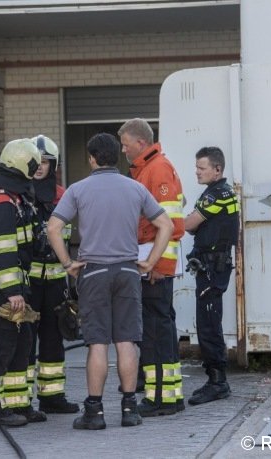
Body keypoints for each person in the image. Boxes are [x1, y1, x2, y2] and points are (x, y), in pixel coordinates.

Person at [46, 133, 174, 430]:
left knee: (98, 344)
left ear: (91, 158)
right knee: (127, 341)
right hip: (129, 271)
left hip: (94, 272)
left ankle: (95, 412)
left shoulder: (78, 190)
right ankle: (130, 409)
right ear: (117, 156)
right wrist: (151, 261)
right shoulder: (135, 188)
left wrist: (67, 263)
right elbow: (165, 225)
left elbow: (54, 227)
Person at [0, 138, 47, 429]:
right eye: (34, 164)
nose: (37, 169)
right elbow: (2, 249)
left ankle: (18, 404)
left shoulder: (11, 196)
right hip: (0, 285)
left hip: (12, 282)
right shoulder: (1, 202)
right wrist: (12, 292)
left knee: (22, 343)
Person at [118, 118, 185, 416]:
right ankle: (168, 394)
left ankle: (160, 398)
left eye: (125, 144)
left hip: (155, 265)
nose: (123, 150)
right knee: (160, 329)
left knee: (156, 332)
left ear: (141, 143)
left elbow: (170, 225)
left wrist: (159, 265)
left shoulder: (156, 169)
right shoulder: (148, 168)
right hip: (152, 260)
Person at [26, 134, 79, 415]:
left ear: (53, 164)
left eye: (45, 162)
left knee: (53, 338)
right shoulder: (19, 193)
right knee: (23, 339)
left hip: (56, 281)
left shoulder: (62, 195)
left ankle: (52, 396)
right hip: (28, 281)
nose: (39, 167)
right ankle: (20, 400)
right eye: (35, 161)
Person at [183, 146, 240, 406]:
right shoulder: (220, 192)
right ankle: (215, 380)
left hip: (211, 269)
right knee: (209, 322)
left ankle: (218, 382)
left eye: (201, 168)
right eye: (196, 167)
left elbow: (189, 225)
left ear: (217, 169)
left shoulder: (215, 195)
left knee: (208, 324)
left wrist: (187, 221)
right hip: (212, 267)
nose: (197, 172)